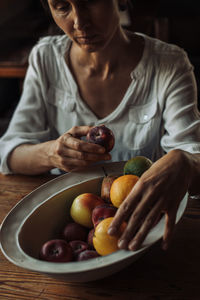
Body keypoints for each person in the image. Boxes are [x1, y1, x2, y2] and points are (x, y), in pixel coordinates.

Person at [0, 0, 200, 252]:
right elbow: (9, 152)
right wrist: (51, 153)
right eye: (62, 6)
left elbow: (193, 155)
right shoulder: (45, 58)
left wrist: (187, 161)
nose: (79, 22)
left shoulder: (168, 65)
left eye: (90, 1)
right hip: (66, 228)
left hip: (143, 233)